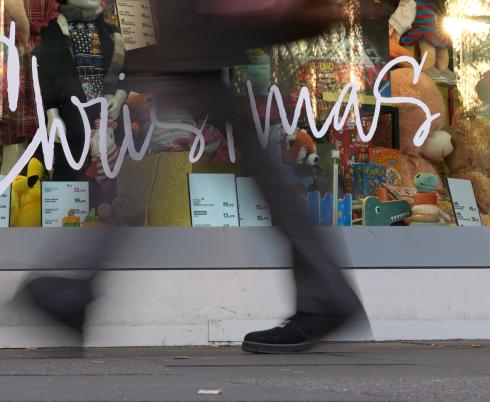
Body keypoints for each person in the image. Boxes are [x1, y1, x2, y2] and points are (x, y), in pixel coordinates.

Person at [21, 0, 366, 354]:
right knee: (240, 145)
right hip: (193, 27)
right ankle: (326, 290)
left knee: (228, 143)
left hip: (197, 24)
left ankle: (327, 292)